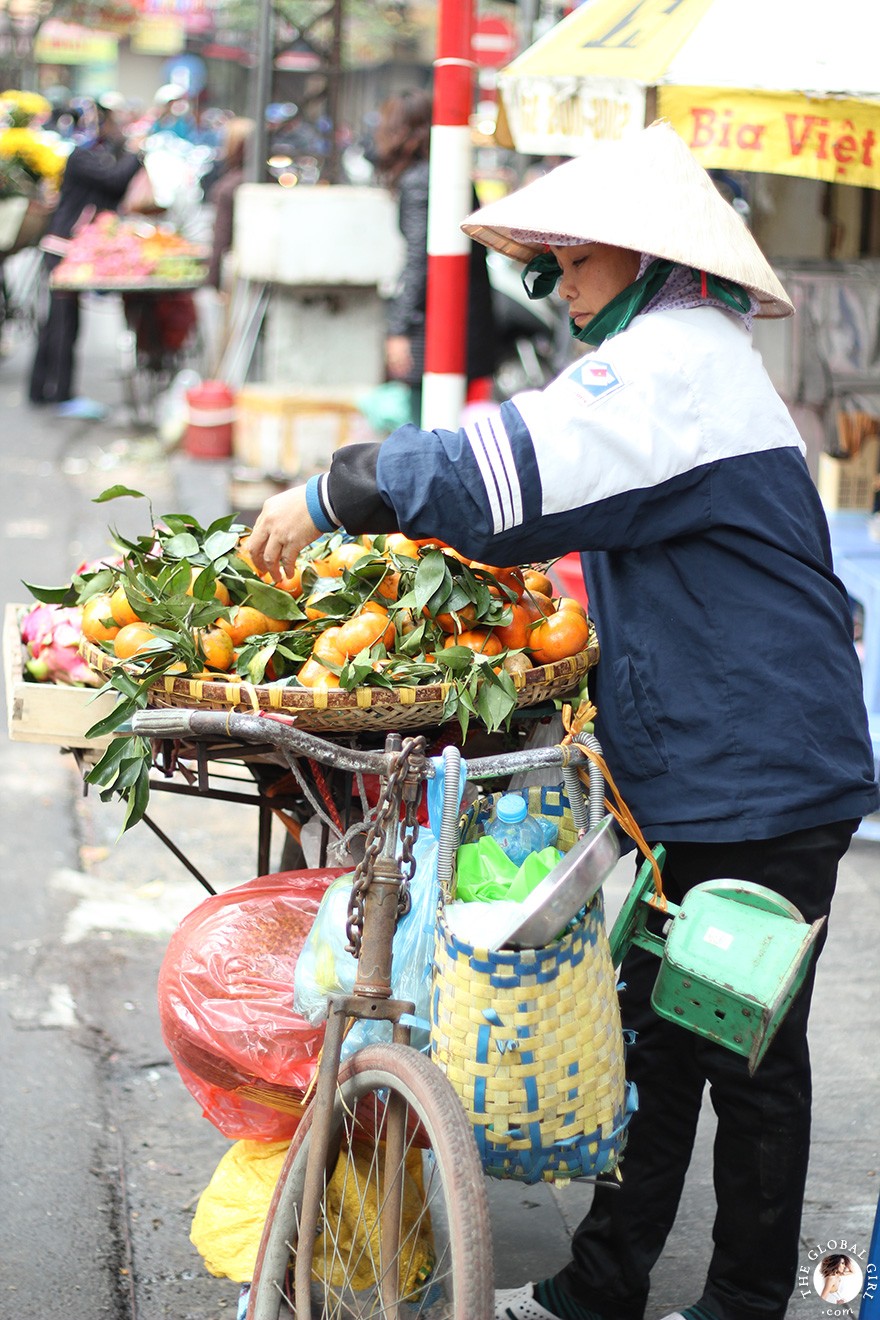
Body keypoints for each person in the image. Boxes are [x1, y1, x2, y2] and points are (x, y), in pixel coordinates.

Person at [246, 120, 879, 1320]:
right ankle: (603, 1287)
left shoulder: (674, 364)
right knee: (667, 1034)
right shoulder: (681, 357)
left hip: (757, 771)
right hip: (714, 758)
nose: (557, 286)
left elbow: (510, 469)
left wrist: (334, 491)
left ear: (637, 259)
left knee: (740, 1052)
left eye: (569, 263)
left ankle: (740, 1301)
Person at [371, 87, 497, 422]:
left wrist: (398, 330)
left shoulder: (419, 181)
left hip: (434, 328)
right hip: (464, 321)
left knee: (427, 429)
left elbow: (419, 260)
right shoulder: (450, 175)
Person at [28, 94, 143, 407]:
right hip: (63, 248)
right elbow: (116, 180)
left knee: (59, 323)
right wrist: (135, 153)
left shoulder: (94, 153)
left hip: (68, 248)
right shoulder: (81, 156)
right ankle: (56, 394)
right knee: (61, 324)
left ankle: (43, 392)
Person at [205, 116, 255, 291]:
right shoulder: (264, 180)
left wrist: (213, 280)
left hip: (239, 277)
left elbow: (222, 236)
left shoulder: (230, 187)